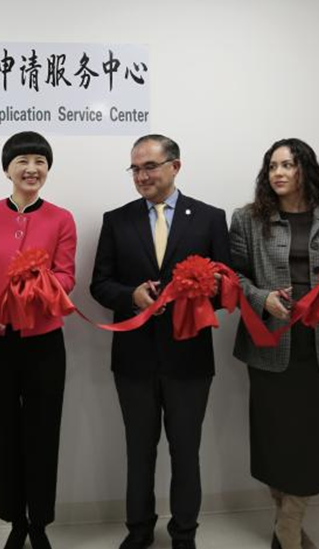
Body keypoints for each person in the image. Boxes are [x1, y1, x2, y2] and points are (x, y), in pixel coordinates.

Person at [90, 134, 230, 549]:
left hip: (189, 359)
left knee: (186, 452)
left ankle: (184, 533)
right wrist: (130, 296)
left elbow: (228, 288)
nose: (141, 176)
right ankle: (139, 530)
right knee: (139, 451)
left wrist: (196, 295)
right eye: (134, 169)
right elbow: (100, 284)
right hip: (133, 359)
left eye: (149, 166)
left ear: (175, 166)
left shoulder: (209, 218)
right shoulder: (117, 220)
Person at [229, 138, 319, 549]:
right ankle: (286, 523)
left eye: (288, 164)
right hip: (270, 341)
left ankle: (288, 525)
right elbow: (233, 277)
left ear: (305, 169)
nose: (278, 173)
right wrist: (262, 299)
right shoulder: (247, 219)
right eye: (272, 166)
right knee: (274, 436)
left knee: (311, 437)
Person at [0, 131, 76, 549]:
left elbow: (66, 277)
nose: (32, 169)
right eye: (23, 160)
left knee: (43, 433)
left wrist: (39, 287)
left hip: (44, 343)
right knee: (2, 432)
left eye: (40, 161)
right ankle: (15, 521)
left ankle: (39, 522)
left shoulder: (61, 219)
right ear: (7, 168)